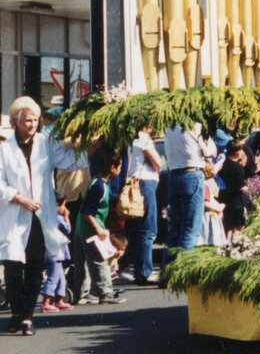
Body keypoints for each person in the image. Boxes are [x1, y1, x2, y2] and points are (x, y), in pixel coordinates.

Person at [0, 95, 90, 335]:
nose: (32, 125)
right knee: (12, 265)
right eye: (27, 120)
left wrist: (90, 148)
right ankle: (17, 311)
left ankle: (27, 316)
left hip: (40, 215)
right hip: (14, 215)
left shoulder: (45, 143)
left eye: (35, 120)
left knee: (36, 265)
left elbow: (68, 161)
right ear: (16, 121)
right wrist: (17, 197)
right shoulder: (4, 149)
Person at [72, 149, 125, 306]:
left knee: (82, 263)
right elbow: (88, 211)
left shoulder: (95, 181)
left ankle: (82, 293)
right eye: (119, 166)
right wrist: (99, 229)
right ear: (112, 167)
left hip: (81, 228)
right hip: (91, 230)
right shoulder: (100, 186)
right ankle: (105, 292)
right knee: (99, 261)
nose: (120, 169)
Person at [163, 122, 216, 250]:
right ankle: (182, 266)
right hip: (192, 173)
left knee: (175, 228)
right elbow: (211, 152)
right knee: (190, 228)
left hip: (173, 174)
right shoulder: (195, 126)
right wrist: (208, 133)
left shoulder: (168, 127)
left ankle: (167, 266)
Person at [126, 125, 162, 284]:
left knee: (137, 229)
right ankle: (145, 271)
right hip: (146, 183)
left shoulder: (131, 140)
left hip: (134, 183)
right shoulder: (144, 138)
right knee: (148, 229)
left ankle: (139, 270)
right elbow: (159, 163)